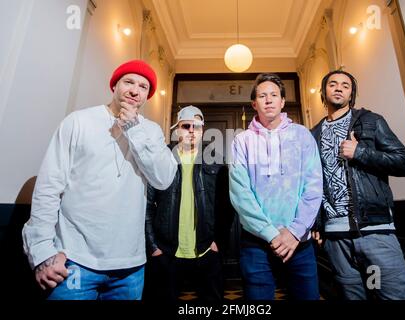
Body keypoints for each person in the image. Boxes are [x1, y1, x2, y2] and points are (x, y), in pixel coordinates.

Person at [22, 59, 178, 300]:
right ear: (114, 85)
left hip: (130, 266)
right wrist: (42, 251)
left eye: (143, 86)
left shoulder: (152, 131)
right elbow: (48, 187)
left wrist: (134, 129)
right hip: (74, 259)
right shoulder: (79, 122)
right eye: (129, 82)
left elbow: (163, 179)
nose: (135, 90)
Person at [310, 69, 405, 300]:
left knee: (390, 295)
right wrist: (317, 222)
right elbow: (313, 183)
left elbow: (404, 163)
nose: (339, 88)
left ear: (351, 94)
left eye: (345, 86)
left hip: (373, 233)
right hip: (335, 238)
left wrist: (361, 152)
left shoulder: (370, 121)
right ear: (323, 91)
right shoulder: (312, 135)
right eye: (333, 84)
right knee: (354, 296)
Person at [229, 73, 323, 300]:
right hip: (256, 244)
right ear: (254, 104)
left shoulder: (302, 135)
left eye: (274, 95)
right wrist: (271, 233)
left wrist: (294, 231)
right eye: (262, 96)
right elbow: (240, 193)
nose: (268, 100)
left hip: (299, 241)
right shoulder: (242, 141)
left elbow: (313, 187)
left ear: (282, 102)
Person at [144, 106, 234, 302]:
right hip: (167, 251)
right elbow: (147, 205)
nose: (192, 131)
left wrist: (217, 242)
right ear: (177, 130)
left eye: (198, 126)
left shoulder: (216, 161)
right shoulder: (162, 159)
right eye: (186, 126)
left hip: (206, 250)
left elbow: (226, 208)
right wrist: (153, 245)